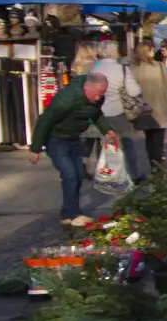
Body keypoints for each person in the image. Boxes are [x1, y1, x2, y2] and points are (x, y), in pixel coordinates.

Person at [30, 74, 119, 226]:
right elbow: (45, 121)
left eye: (102, 94)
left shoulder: (96, 99)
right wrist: (35, 148)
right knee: (69, 174)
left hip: (74, 139)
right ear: (86, 87)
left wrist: (106, 130)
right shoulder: (65, 100)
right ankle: (73, 214)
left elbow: (96, 115)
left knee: (78, 174)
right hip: (56, 139)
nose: (98, 98)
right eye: (96, 94)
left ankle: (67, 213)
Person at [91, 39, 149, 183]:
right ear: (114, 52)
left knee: (105, 142)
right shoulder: (121, 68)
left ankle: (106, 174)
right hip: (119, 110)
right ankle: (133, 174)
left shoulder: (95, 68)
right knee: (127, 141)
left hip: (100, 112)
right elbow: (133, 90)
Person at [129, 40, 167, 168]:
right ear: (149, 51)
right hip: (160, 107)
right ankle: (157, 166)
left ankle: (151, 163)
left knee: (148, 138)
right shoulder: (159, 66)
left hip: (143, 108)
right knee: (158, 140)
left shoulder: (133, 69)